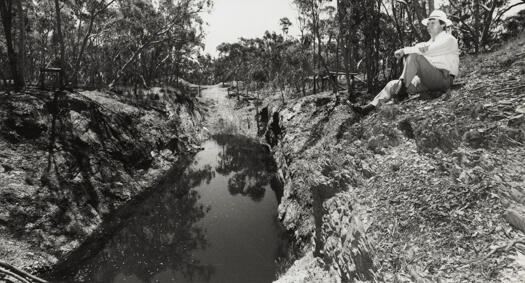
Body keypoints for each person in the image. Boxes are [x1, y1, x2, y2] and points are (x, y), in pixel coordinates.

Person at [352, 10, 459, 115]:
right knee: (392, 84)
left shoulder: (449, 39)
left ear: (443, 25)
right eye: (428, 23)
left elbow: (426, 49)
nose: (428, 26)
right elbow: (418, 48)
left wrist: (404, 51)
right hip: (427, 81)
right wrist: (405, 51)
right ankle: (369, 107)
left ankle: (400, 94)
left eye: (433, 23)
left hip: (443, 79)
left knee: (414, 56)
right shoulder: (428, 42)